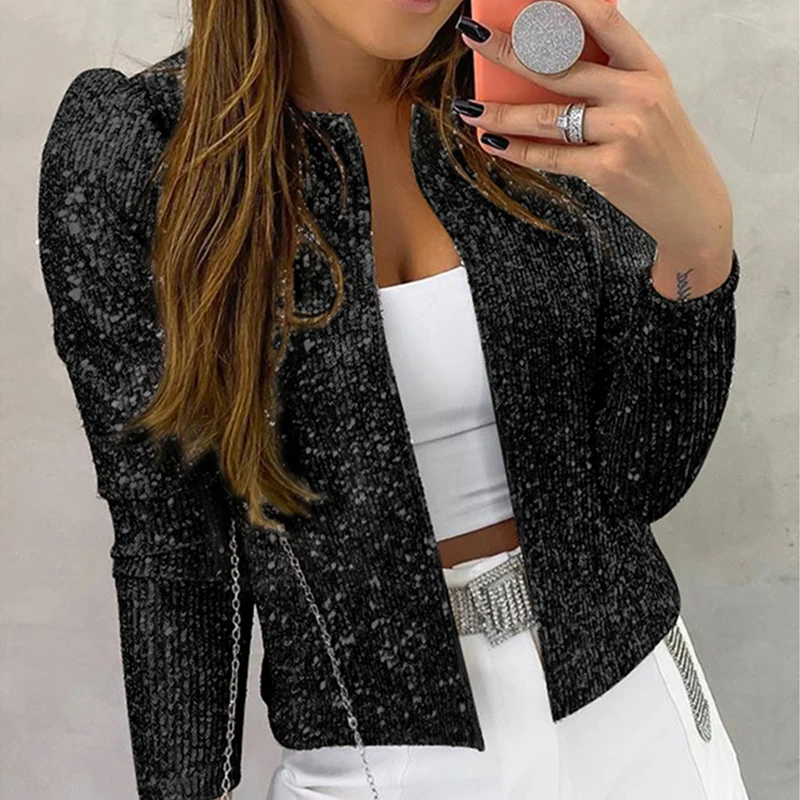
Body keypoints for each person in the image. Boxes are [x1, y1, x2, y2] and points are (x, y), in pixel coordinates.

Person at [37, 0, 751, 798]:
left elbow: (640, 482)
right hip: (377, 766)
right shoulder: (141, 149)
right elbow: (173, 548)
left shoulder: (530, 96)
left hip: (643, 721)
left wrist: (698, 251)